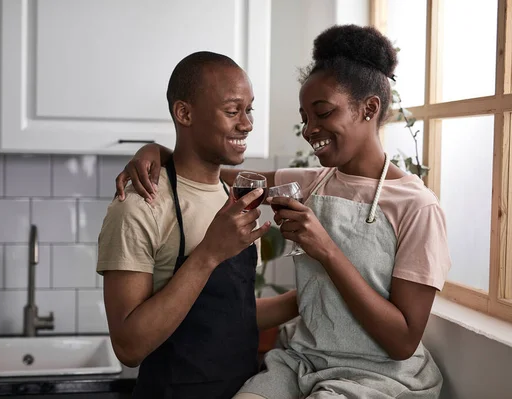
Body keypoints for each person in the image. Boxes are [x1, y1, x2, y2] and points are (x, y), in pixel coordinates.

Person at [114, 25, 451, 399]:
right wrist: (156, 151)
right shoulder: (310, 182)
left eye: (321, 113)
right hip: (302, 363)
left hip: (378, 375)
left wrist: (324, 249)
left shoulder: (418, 206)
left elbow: (403, 342)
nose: (309, 130)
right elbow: (208, 167)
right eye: (305, 118)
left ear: (369, 108)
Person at [97, 51, 299, 399]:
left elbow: (230, 315)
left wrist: (315, 295)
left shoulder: (229, 195)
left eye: (249, 110)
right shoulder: (139, 205)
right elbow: (128, 346)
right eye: (233, 111)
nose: (247, 124)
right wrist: (208, 255)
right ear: (184, 113)